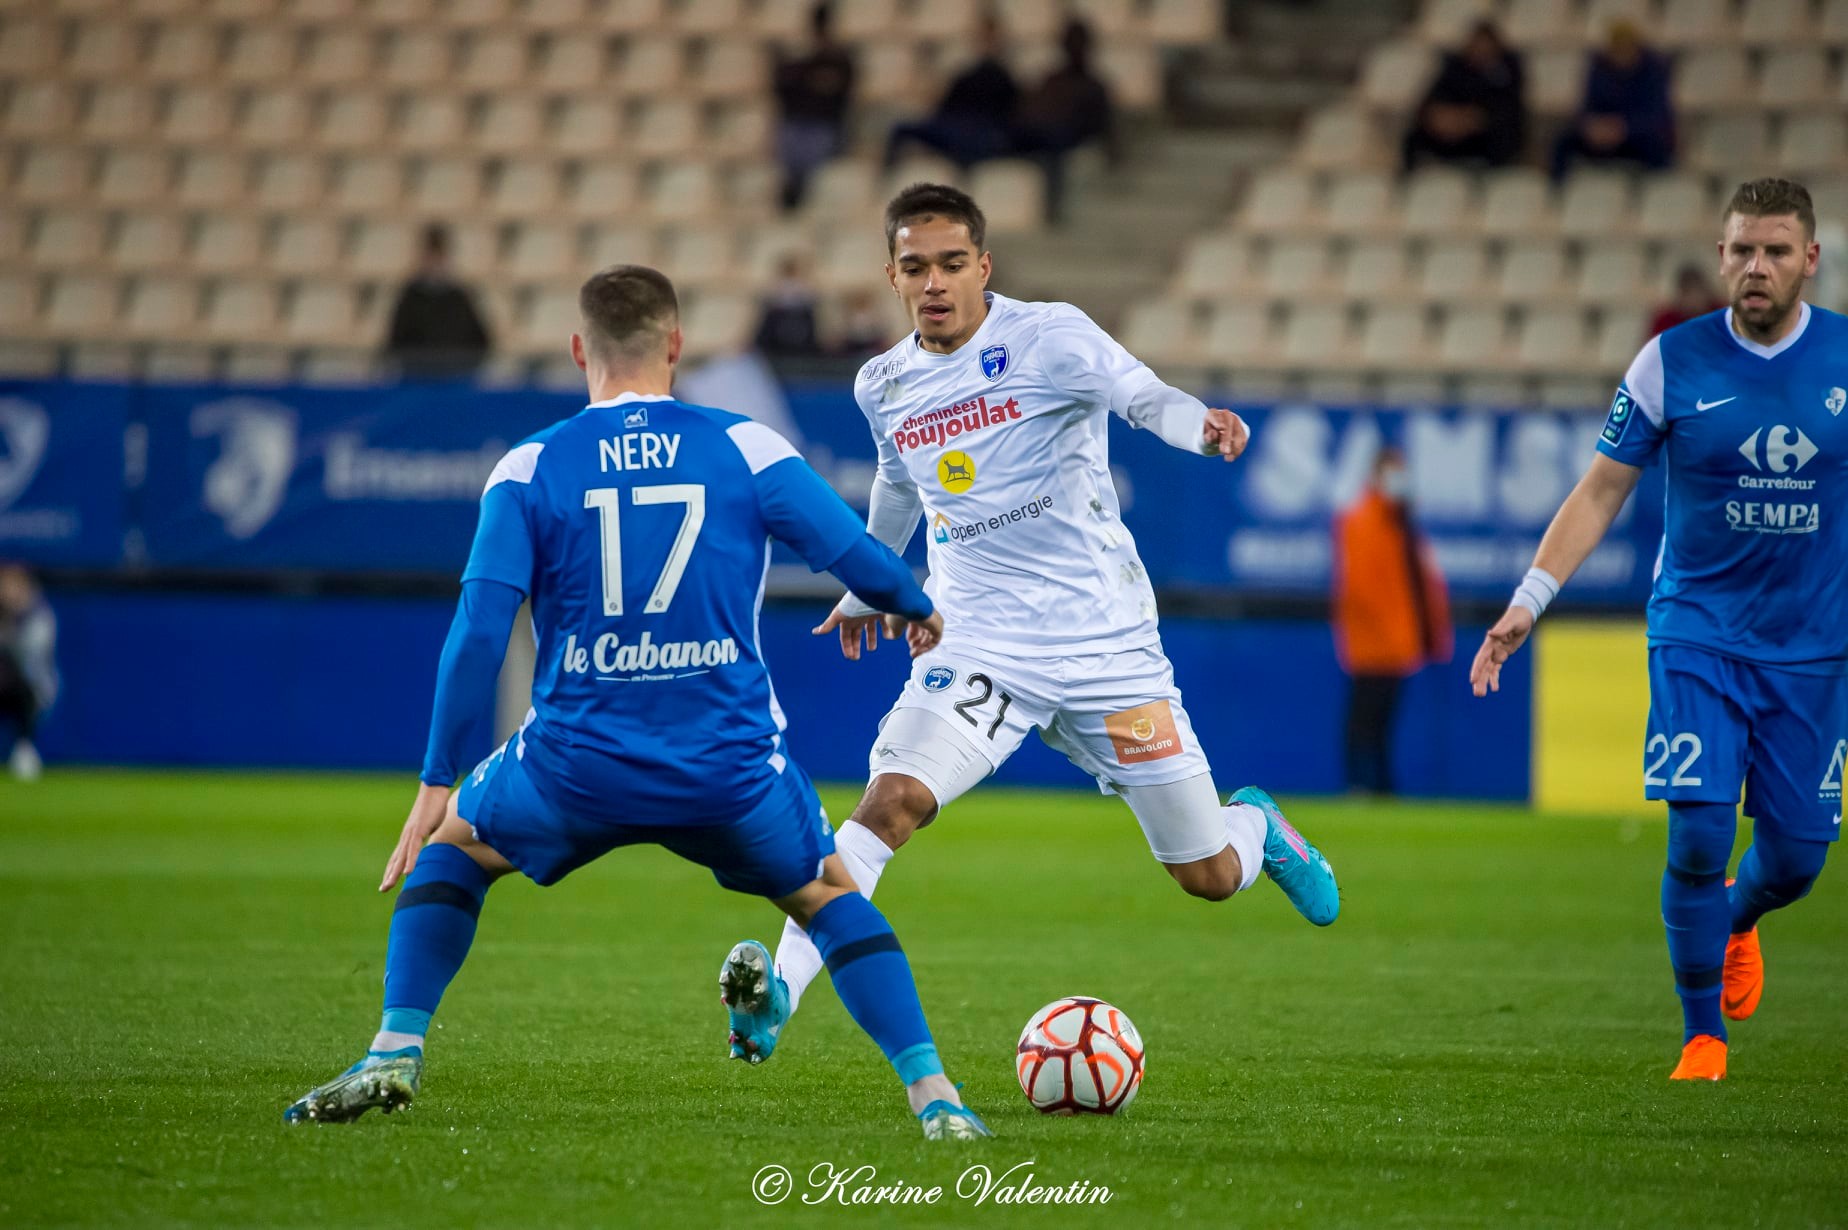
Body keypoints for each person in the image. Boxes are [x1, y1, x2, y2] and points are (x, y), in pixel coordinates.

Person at [286, 265, 991, 1140]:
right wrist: (916, 604)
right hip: (727, 767)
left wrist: (437, 776)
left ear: (580, 349)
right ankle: (937, 1101)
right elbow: (858, 557)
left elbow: (477, 631)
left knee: (454, 850)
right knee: (828, 893)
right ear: (677, 347)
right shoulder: (746, 446)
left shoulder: (531, 464)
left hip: (574, 765)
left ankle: (395, 1048)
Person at [721, 183, 1341, 1064]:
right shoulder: (884, 382)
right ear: (891, 277)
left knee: (1206, 874)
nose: (933, 283)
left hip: (1105, 650)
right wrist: (872, 579)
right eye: (913, 267)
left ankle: (1259, 830)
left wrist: (1200, 426)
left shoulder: (1049, 336)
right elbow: (903, 485)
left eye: (949, 264)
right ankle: (781, 992)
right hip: (978, 644)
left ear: (983, 265)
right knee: (892, 803)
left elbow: (1140, 394)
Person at [1470, 178, 1845, 1082]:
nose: (1757, 267)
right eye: (1743, 251)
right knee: (1700, 832)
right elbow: (1601, 489)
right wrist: (1530, 597)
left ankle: (1741, 918)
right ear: (1721, 258)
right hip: (1698, 633)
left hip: (1814, 647)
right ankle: (1701, 1036)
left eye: (1777, 251)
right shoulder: (1668, 362)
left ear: (1810, 261)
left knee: (1795, 859)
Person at [1331, 448, 1452, 796]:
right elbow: (1360, 587)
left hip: (1396, 643)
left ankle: (1378, 789)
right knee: (1364, 723)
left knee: (1381, 725)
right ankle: (1361, 786)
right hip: (1373, 644)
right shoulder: (1362, 520)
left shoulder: (1399, 523)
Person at [1009, 20, 1114, 225]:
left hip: (1066, 140)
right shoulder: (1052, 79)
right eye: (1070, 43)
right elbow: (1028, 110)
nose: (1074, 48)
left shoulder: (1094, 86)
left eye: (1078, 43)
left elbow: (1099, 126)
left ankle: (1052, 211)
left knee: (1053, 148)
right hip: (1035, 135)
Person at [883, 12, 1018, 170]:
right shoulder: (966, 75)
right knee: (901, 129)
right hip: (954, 129)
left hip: (983, 134)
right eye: (982, 37)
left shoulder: (1003, 77)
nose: (985, 41)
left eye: (990, 37)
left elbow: (1008, 113)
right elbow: (943, 107)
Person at [1550, 20, 1674, 181]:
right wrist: (1592, 126)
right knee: (1564, 143)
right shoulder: (1599, 69)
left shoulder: (1653, 72)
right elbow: (1585, 107)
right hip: (1604, 135)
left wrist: (1624, 127)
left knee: (1656, 150)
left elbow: (1657, 116)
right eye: (1617, 48)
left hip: (1636, 136)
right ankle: (1559, 193)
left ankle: (1654, 194)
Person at [1399, 20, 1526, 172]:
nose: (1480, 50)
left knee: (1503, 132)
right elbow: (1431, 102)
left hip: (1485, 134)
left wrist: (1475, 119)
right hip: (1452, 133)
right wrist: (1442, 117)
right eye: (1477, 44)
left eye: (1485, 45)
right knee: (1414, 136)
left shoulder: (1508, 70)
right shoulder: (1455, 68)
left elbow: (1508, 107)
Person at [383, 224, 493, 380]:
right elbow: (396, 341)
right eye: (430, 255)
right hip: (417, 380)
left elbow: (481, 340)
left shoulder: (459, 296)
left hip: (454, 380)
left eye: (438, 255)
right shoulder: (411, 296)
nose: (434, 262)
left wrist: (462, 367)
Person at [772, 3, 854, 210]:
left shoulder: (841, 59)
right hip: (799, 123)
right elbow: (785, 87)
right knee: (790, 143)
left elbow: (840, 89)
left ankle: (801, 194)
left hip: (825, 126)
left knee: (812, 152)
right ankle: (794, 194)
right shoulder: (802, 59)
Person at [0, 563, 56, 782]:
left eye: (15, 586)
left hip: (31, 687)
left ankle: (24, 749)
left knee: (24, 689)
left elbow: (31, 662)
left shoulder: (40, 617)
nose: (9, 591)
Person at [752, 255, 822, 357]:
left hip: (800, 320)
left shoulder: (805, 285)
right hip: (778, 322)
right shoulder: (774, 285)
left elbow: (812, 300)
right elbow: (766, 299)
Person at [1648, 263, 1725, 338]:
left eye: (1697, 294)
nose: (1694, 300)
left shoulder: (1722, 316)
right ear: (1681, 296)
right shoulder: (1665, 322)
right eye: (1689, 294)